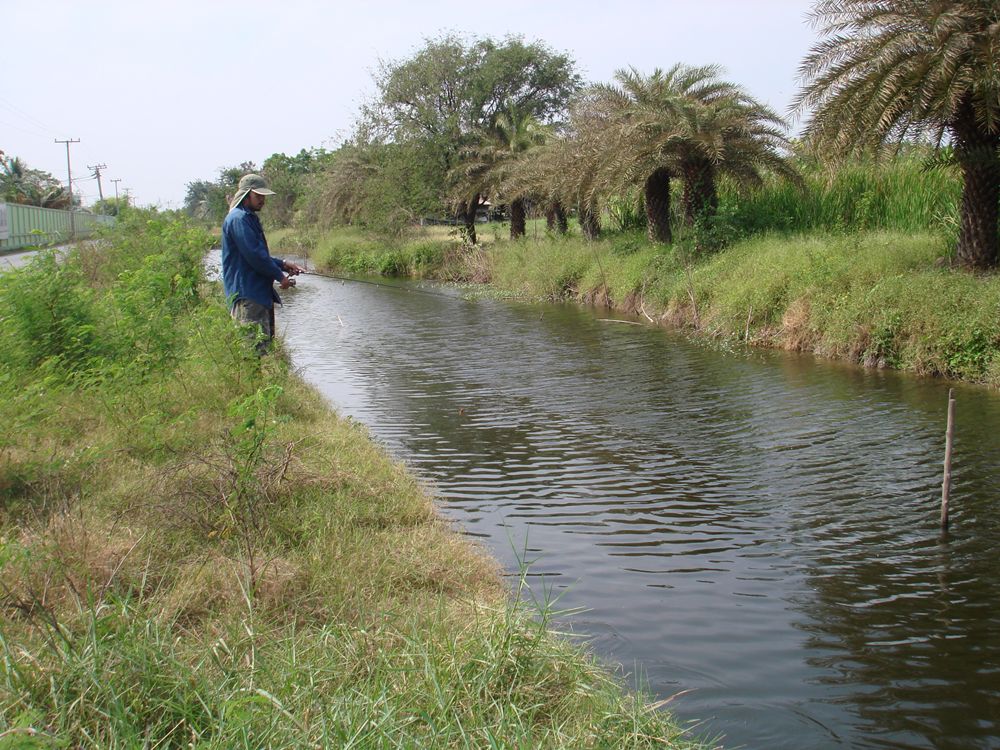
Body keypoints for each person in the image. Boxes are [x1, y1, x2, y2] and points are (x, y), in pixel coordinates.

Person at [221, 173, 304, 353]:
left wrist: (283, 264)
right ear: (246, 195)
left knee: (261, 349)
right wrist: (280, 277)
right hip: (247, 293)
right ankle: (250, 382)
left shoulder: (248, 217)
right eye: (258, 196)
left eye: (263, 196)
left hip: (256, 293)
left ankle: (257, 382)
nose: (262, 200)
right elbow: (255, 256)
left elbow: (258, 255)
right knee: (250, 351)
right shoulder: (238, 219)